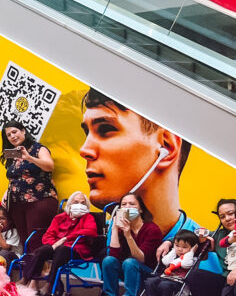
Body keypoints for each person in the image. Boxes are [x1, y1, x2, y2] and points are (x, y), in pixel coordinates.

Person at [79, 89, 197, 248]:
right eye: (87, 132)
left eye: (106, 129)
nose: (84, 150)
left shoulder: (200, 248)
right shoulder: (106, 233)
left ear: (166, 146)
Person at [96, 192, 163, 296]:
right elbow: (114, 255)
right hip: (127, 270)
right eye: (124, 204)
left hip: (147, 272)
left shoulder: (151, 229)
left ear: (141, 209)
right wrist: (115, 229)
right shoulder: (122, 229)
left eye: (132, 204)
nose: (127, 207)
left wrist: (128, 236)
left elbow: (141, 258)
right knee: (108, 260)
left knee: (130, 262)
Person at [18, 191, 97, 296]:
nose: (79, 205)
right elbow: (47, 236)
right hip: (57, 246)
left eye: (82, 203)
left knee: (61, 250)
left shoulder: (88, 218)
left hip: (75, 249)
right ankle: (27, 279)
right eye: (76, 202)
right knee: (42, 250)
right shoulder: (60, 218)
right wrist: (54, 244)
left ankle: (49, 284)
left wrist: (66, 238)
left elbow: (90, 231)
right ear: (70, 204)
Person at [0, 120, 59, 249]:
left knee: (35, 241)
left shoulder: (38, 148)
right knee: (24, 241)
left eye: (14, 132)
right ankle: (29, 262)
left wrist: (29, 158)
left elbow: (50, 166)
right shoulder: (12, 153)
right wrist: (7, 192)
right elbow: (15, 176)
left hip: (39, 200)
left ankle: (41, 262)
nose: (12, 136)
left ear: (23, 131)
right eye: (8, 135)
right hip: (17, 204)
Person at [149, 230, 202, 296]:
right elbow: (165, 261)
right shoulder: (173, 255)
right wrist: (174, 250)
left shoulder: (191, 258)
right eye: (177, 245)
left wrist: (191, 252)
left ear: (192, 248)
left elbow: (185, 265)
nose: (180, 249)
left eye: (184, 247)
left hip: (178, 282)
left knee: (165, 285)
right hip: (165, 277)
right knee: (151, 281)